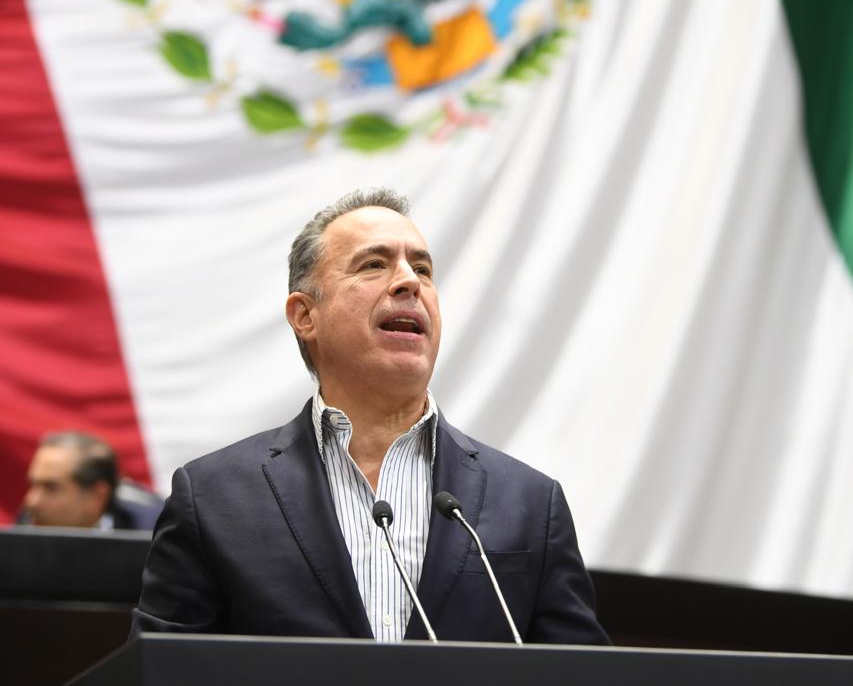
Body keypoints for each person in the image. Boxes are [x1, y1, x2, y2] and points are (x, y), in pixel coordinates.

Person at [132, 189, 608, 643]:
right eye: (374, 264)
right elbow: (159, 682)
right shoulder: (213, 498)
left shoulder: (530, 503)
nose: (409, 282)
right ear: (305, 316)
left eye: (422, 268)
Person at [20, 431, 163, 530]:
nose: (31, 501)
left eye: (51, 487)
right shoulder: (29, 520)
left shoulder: (149, 531)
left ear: (97, 495)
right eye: (33, 485)